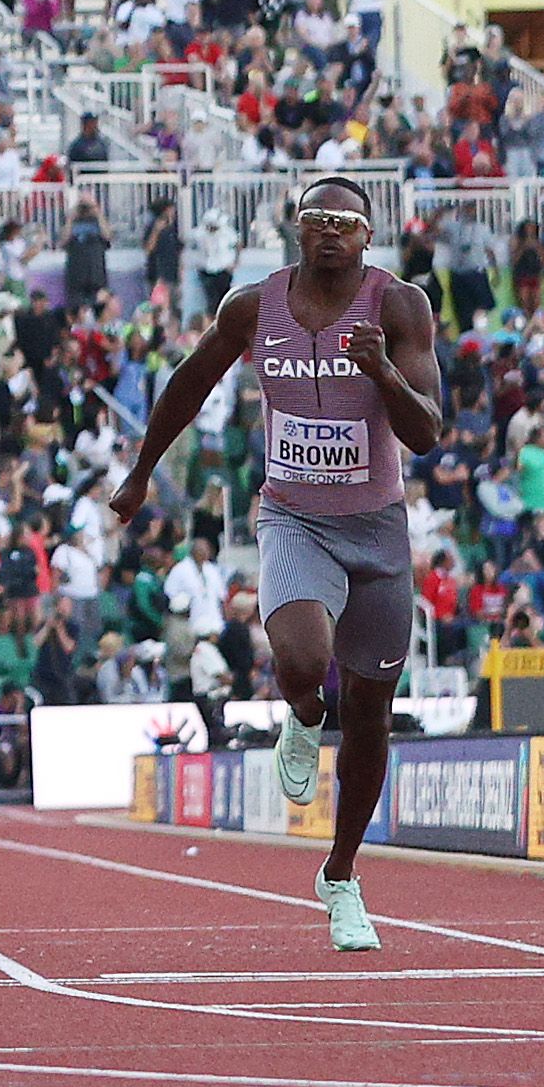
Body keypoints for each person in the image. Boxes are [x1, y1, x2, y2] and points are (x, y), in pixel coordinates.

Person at [106, 174, 443, 950]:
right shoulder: (252, 306)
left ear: (368, 236)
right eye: (316, 219)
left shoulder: (398, 308)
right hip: (293, 517)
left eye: (346, 222)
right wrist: (141, 470)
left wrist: (381, 371)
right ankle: (298, 713)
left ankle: (341, 875)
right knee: (300, 661)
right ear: (295, 230)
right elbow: (189, 383)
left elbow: (426, 433)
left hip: (377, 528)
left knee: (371, 713)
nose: (331, 232)